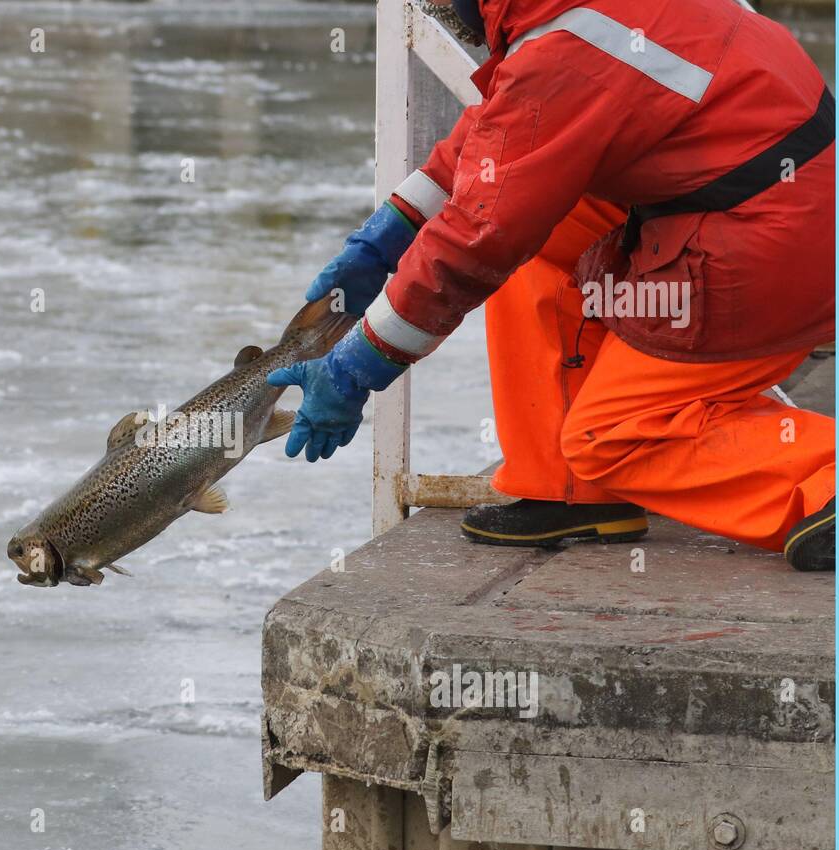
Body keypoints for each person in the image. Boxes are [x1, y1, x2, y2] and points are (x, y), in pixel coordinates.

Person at [269, 0, 836, 571]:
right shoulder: (567, 17)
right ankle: (569, 490)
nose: (437, 8)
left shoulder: (565, 46)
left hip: (769, 245)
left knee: (614, 437)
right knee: (533, 221)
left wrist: (356, 367)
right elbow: (506, 141)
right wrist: (392, 232)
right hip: (783, 211)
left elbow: (476, 238)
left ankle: (822, 479)